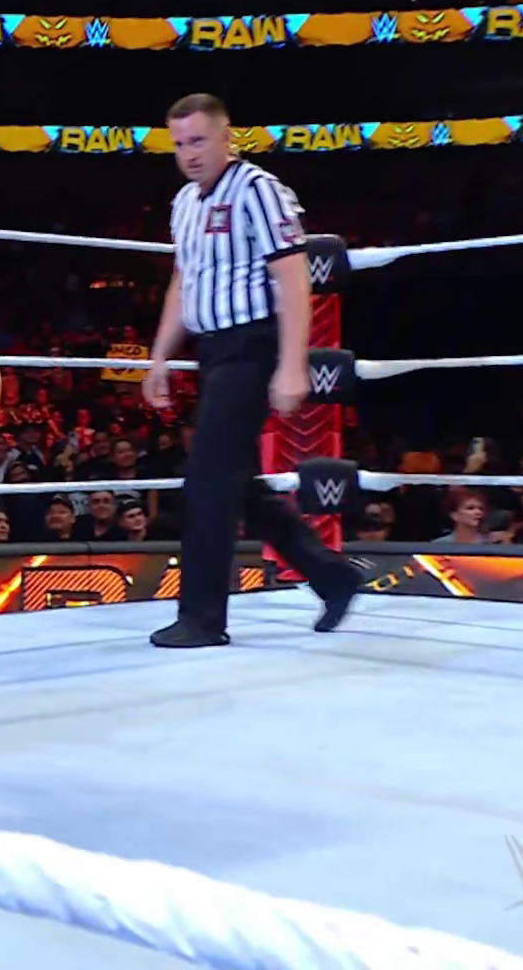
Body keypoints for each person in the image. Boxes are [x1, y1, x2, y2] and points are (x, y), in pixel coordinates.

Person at [143, 93, 360, 648]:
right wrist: (160, 357)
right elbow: (182, 281)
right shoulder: (184, 202)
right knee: (234, 481)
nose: (189, 153)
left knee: (207, 482)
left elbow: (292, 276)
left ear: (226, 136)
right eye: (180, 144)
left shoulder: (258, 190)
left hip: (252, 345)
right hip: (212, 350)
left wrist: (292, 364)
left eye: (199, 140)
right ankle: (333, 576)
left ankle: (202, 619)